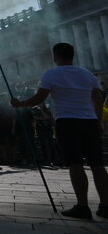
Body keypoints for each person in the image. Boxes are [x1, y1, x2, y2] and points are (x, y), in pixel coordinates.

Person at [12, 43, 108, 220]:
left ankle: (83, 206)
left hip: (67, 122)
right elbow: (98, 98)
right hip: (89, 122)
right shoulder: (86, 73)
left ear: (56, 56)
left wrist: (20, 104)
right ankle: (106, 205)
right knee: (97, 164)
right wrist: (98, 120)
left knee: (75, 163)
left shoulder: (52, 74)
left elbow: (39, 98)